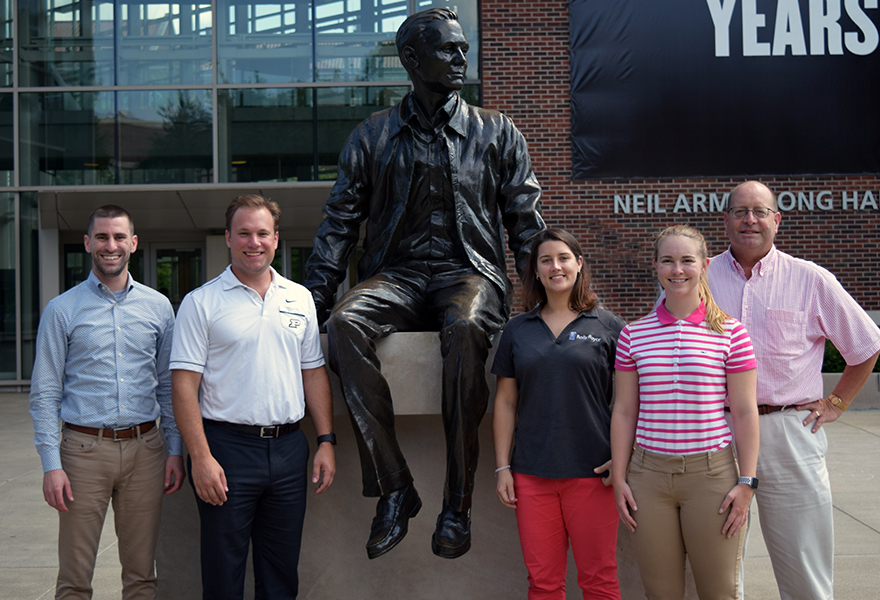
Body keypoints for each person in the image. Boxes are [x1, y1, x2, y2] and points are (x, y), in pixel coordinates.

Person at [303, 7, 544, 560]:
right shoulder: (372, 136)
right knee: (344, 322)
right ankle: (395, 487)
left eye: (463, 48)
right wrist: (308, 308)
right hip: (398, 277)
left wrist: (554, 302)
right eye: (448, 50)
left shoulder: (497, 131)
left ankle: (456, 505)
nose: (462, 58)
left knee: (463, 328)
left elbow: (525, 224)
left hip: (470, 275)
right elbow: (338, 226)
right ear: (411, 60)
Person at [709, 180, 880, 600]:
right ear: (725, 220)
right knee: (717, 569)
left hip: (787, 433)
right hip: (716, 433)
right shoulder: (698, 276)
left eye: (759, 211)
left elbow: (865, 345)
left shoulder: (810, 279)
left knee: (803, 567)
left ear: (777, 220)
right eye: (740, 211)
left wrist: (836, 402)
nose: (749, 220)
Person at [170, 195, 336, 599]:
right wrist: (201, 458)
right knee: (223, 574)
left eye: (262, 233)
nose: (253, 242)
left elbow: (312, 373)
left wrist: (326, 441)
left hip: (289, 449)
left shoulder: (299, 299)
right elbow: (182, 386)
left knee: (281, 574)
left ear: (276, 239)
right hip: (225, 451)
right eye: (244, 233)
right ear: (228, 237)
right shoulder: (201, 303)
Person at [29, 205, 184, 599]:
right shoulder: (61, 310)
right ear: (87, 244)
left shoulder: (159, 307)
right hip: (83, 454)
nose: (110, 245)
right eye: (101, 237)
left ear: (133, 243)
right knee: (75, 580)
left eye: (118, 237)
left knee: (142, 577)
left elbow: (168, 387)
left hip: (147, 451)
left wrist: (175, 451)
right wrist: (52, 465)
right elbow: (45, 393)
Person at [610, 224, 760, 600]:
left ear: (705, 265)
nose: (678, 270)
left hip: (712, 478)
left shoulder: (731, 333)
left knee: (719, 591)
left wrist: (747, 482)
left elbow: (744, 413)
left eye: (687, 261)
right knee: (660, 592)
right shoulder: (633, 335)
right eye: (668, 261)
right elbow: (625, 411)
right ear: (657, 266)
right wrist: (619, 476)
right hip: (648, 478)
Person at [492, 228, 623, 600]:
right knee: (543, 583)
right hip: (532, 475)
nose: (555, 267)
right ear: (535, 270)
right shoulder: (517, 330)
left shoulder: (609, 327)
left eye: (564, 258)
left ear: (579, 264)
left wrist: (622, 458)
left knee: (599, 580)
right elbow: (505, 402)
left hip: (594, 474)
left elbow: (634, 400)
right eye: (545, 260)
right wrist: (503, 467)